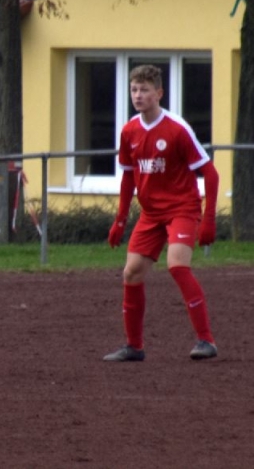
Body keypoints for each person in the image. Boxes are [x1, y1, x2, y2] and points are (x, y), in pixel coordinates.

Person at [104, 64, 220, 362]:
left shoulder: (177, 129)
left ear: (159, 93)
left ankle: (206, 340)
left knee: (177, 266)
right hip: (151, 214)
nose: (137, 95)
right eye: (134, 89)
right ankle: (134, 347)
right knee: (131, 272)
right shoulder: (129, 130)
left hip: (182, 208)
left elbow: (210, 173)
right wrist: (120, 220)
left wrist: (208, 219)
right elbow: (128, 177)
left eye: (144, 90)